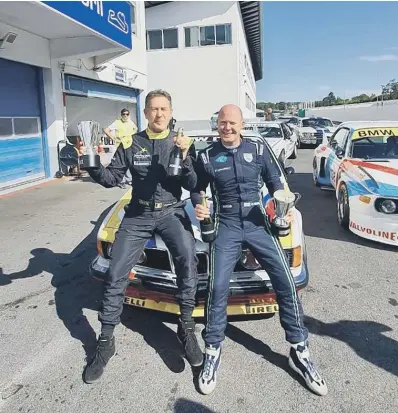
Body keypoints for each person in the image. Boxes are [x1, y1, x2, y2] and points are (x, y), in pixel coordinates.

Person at [191, 104, 327, 396]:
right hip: (226, 223)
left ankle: (299, 350)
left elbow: (277, 182)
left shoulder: (259, 149)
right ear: (217, 125)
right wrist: (199, 204)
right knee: (216, 288)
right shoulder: (206, 155)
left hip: (257, 223)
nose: (226, 127)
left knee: (286, 282)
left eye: (232, 123)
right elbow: (196, 187)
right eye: (222, 123)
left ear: (242, 124)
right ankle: (212, 349)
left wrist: (284, 208)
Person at [82, 90, 203, 384]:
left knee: (188, 258)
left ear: (171, 112)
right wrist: (91, 161)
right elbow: (112, 179)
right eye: (153, 109)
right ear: (145, 113)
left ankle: (186, 326)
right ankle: (106, 340)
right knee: (115, 273)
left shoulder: (182, 142)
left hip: (171, 213)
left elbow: (193, 183)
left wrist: (186, 155)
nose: (159, 114)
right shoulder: (131, 142)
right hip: (137, 215)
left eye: (164, 109)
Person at [103, 109, 138, 188]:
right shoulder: (117, 122)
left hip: (129, 145)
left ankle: (129, 179)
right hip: (120, 145)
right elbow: (106, 130)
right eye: (123, 114)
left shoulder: (130, 122)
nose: (125, 116)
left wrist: (132, 136)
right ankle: (121, 181)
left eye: (127, 114)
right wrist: (113, 138)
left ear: (129, 115)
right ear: (121, 115)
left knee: (129, 162)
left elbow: (135, 129)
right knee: (120, 163)